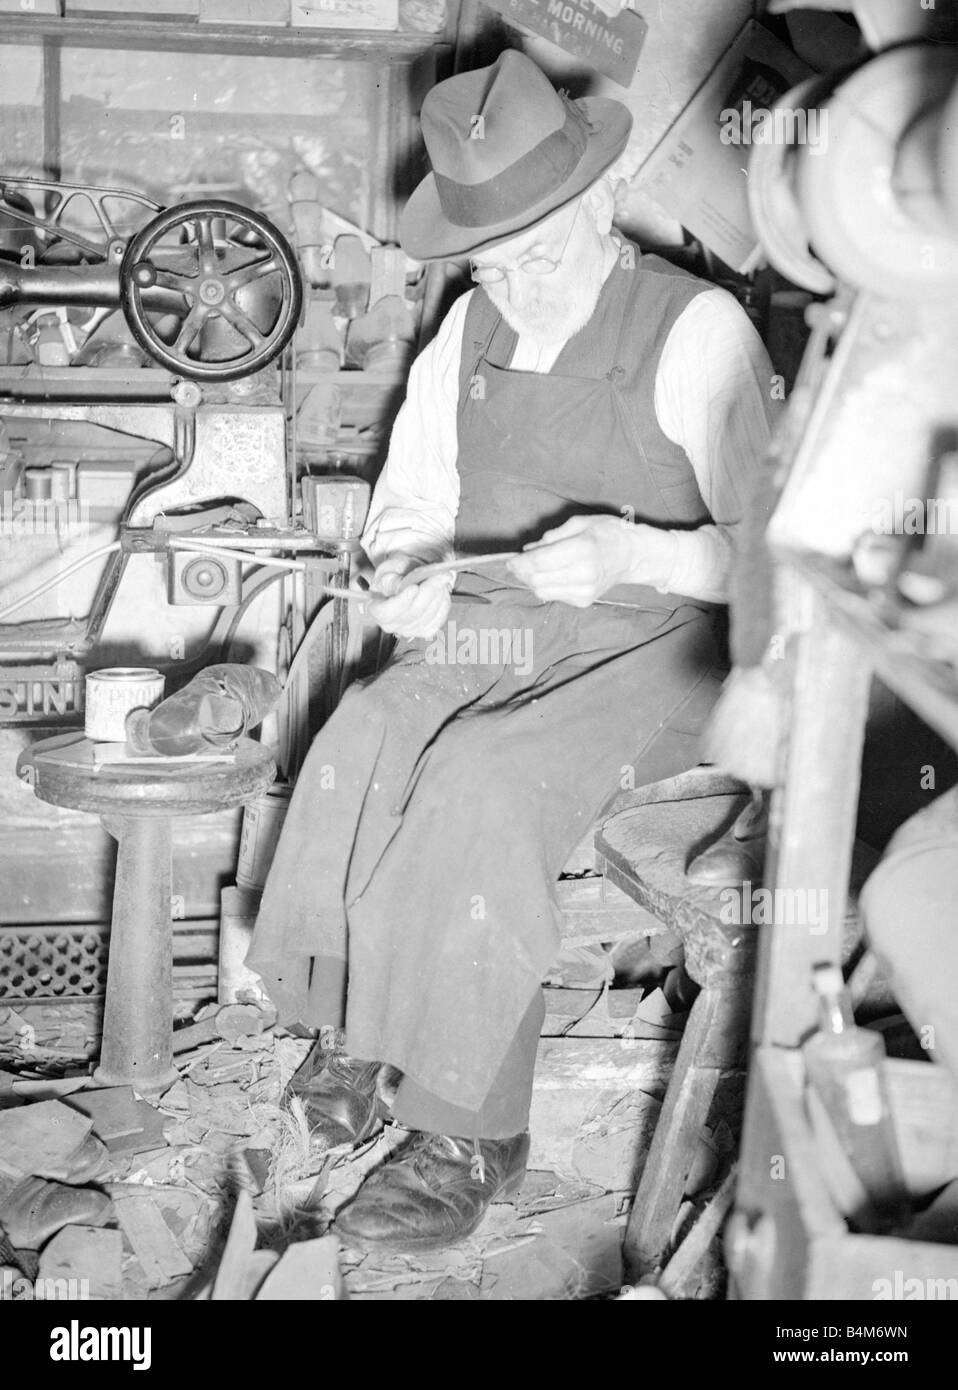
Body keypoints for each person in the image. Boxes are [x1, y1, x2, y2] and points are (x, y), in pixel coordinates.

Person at [248, 48, 780, 1253]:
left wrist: (645, 552)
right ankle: (362, 1027)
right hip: (503, 620)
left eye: (536, 252)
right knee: (365, 731)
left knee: (483, 779)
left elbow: (775, 561)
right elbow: (409, 506)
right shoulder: (471, 325)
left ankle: (468, 1125)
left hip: (662, 643)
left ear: (597, 202)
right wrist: (403, 580)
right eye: (492, 260)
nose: (515, 285)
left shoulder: (698, 331)